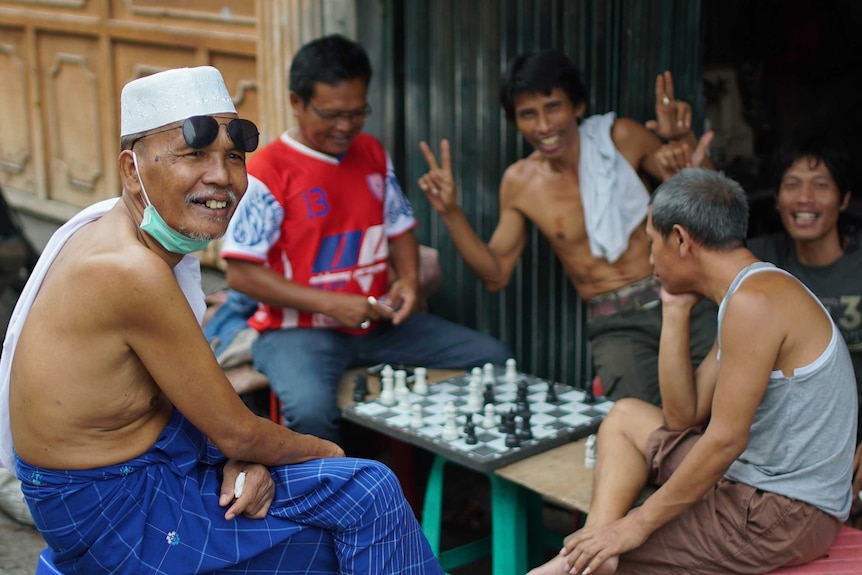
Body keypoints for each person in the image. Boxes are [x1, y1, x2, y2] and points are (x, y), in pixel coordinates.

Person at [0, 65, 443, 574]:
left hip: (143, 471)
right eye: (193, 154)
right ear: (131, 170)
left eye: (233, 155)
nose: (222, 177)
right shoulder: (130, 270)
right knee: (366, 493)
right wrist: (326, 451)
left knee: (342, 505)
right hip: (116, 509)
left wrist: (249, 456)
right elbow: (236, 432)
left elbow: (212, 420)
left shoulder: (120, 233)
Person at [530, 168, 857, 575]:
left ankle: (587, 558)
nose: (649, 260)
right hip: (756, 488)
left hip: (784, 511)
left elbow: (724, 441)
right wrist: (674, 309)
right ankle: (595, 544)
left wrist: (636, 524)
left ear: (681, 239)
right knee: (625, 416)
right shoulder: (749, 290)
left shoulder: (755, 303)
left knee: (587, 562)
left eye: (652, 243)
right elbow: (683, 417)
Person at [217, 34, 512, 442]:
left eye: (358, 113)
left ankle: (445, 480)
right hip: (297, 332)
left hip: (378, 323)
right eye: (333, 114)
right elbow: (241, 275)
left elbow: (400, 228)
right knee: (310, 412)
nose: (346, 126)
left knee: (493, 359)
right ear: (297, 102)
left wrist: (407, 280)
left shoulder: (371, 152)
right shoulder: (269, 172)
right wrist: (332, 304)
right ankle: (327, 501)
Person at [418, 49, 717, 405]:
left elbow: (709, 205)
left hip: (687, 297)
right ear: (515, 121)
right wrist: (451, 212)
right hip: (618, 325)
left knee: (727, 407)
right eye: (528, 114)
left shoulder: (621, 138)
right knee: (642, 431)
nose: (544, 126)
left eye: (553, 107)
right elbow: (496, 274)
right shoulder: (520, 182)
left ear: (577, 106)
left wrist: (680, 142)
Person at [746, 132, 862, 522]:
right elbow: (710, 240)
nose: (804, 198)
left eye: (821, 185)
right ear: (777, 197)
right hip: (785, 450)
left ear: (844, 199)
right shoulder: (762, 260)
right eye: (792, 185)